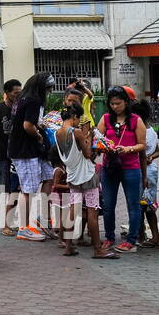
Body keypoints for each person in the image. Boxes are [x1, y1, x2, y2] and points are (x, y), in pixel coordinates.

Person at [53, 104, 116, 259]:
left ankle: (68, 246)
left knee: (73, 211)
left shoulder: (57, 133)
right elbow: (88, 154)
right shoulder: (77, 132)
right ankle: (98, 249)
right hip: (87, 175)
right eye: (78, 118)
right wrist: (89, 138)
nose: (79, 121)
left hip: (72, 175)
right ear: (74, 117)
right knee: (92, 212)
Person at [95, 86, 146, 254]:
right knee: (108, 205)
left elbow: (142, 145)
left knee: (133, 205)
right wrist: (105, 147)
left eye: (118, 103)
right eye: (112, 103)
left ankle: (131, 240)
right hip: (109, 167)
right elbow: (97, 140)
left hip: (130, 167)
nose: (115, 106)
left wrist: (128, 149)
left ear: (126, 102)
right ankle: (109, 237)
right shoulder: (106, 119)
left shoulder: (136, 120)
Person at [8, 72, 54, 241]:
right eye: (48, 89)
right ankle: (24, 227)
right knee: (28, 189)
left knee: (49, 176)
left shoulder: (23, 98)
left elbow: (28, 120)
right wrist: (39, 136)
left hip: (31, 150)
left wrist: (40, 124)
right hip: (25, 150)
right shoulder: (34, 100)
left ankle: (41, 218)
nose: (48, 92)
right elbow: (27, 125)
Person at [0, 79, 21, 234]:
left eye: (20, 92)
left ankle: (8, 222)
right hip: (0, 154)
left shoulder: (19, 108)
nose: (18, 95)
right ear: (7, 93)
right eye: (15, 92)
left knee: (13, 189)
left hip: (15, 155)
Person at [131, 98, 159, 247]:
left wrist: (146, 160)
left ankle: (150, 236)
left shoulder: (141, 131)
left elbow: (142, 154)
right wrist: (151, 157)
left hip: (145, 172)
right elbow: (157, 152)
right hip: (150, 170)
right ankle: (143, 234)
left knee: (144, 206)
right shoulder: (152, 131)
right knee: (145, 205)